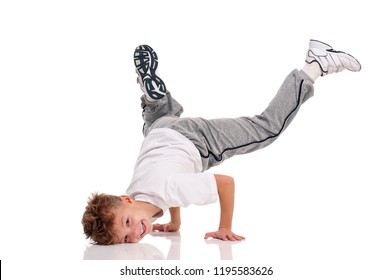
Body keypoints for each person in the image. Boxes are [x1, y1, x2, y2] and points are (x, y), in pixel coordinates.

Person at [82, 40, 361, 245]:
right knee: (163, 119)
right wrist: (175, 221)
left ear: (126, 200)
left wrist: (224, 227)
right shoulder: (138, 194)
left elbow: (224, 183)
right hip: (157, 131)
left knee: (266, 128)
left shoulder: (167, 188)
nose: (136, 232)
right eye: (128, 239)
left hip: (195, 139)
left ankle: (314, 65)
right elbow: (169, 187)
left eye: (128, 224)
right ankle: (155, 100)